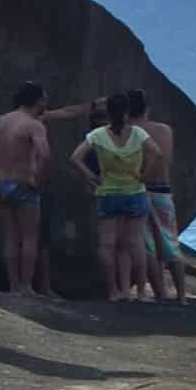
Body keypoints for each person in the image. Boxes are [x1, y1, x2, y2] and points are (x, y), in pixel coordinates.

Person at [0, 82, 62, 295]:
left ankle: (14, 285)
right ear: (38, 100)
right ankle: (26, 286)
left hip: (3, 184)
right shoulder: (33, 124)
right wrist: (38, 180)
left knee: (11, 237)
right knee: (29, 238)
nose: (46, 103)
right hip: (24, 184)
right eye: (45, 99)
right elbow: (45, 155)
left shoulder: (2, 121)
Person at [74, 94, 157, 302]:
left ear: (108, 113)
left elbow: (75, 157)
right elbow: (157, 153)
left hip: (108, 193)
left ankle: (113, 291)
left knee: (107, 244)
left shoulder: (98, 135)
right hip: (135, 192)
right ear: (127, 113)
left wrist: (92, 176)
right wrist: (144, 175)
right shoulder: (138, 133)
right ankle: (139, 293)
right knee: (136, 244)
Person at [136, 93, 189, 303]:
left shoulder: (130, 134)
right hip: (163, 189)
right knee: (170, 242)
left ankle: (160, 295)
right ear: (146, 109)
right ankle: (182, 296)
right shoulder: (165, 130)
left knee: (148, 244)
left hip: (140, 188)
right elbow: (169, 159)